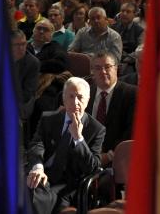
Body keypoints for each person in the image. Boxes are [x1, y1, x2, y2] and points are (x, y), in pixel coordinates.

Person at [26, 76, 104, 214]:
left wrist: (78, 138)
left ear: (88, 100)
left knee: (36, 198)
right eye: (71, 96)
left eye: (80, 97)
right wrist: (38, 167)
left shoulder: (96, 129)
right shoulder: (48, 119)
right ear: (63, 98)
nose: (75, 102)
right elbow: (36, 144)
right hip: (43, 173)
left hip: (68, 184)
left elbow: (92, 167)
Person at [86, 50, 136, 166]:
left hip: (117, 160)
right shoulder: (85, 92)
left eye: (107, 67)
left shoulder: (132, 94)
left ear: (116, 68)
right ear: (92, 72)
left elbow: (131, 132)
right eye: (97, 68)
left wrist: (109, 155)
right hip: (85, 156)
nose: (103, 72)